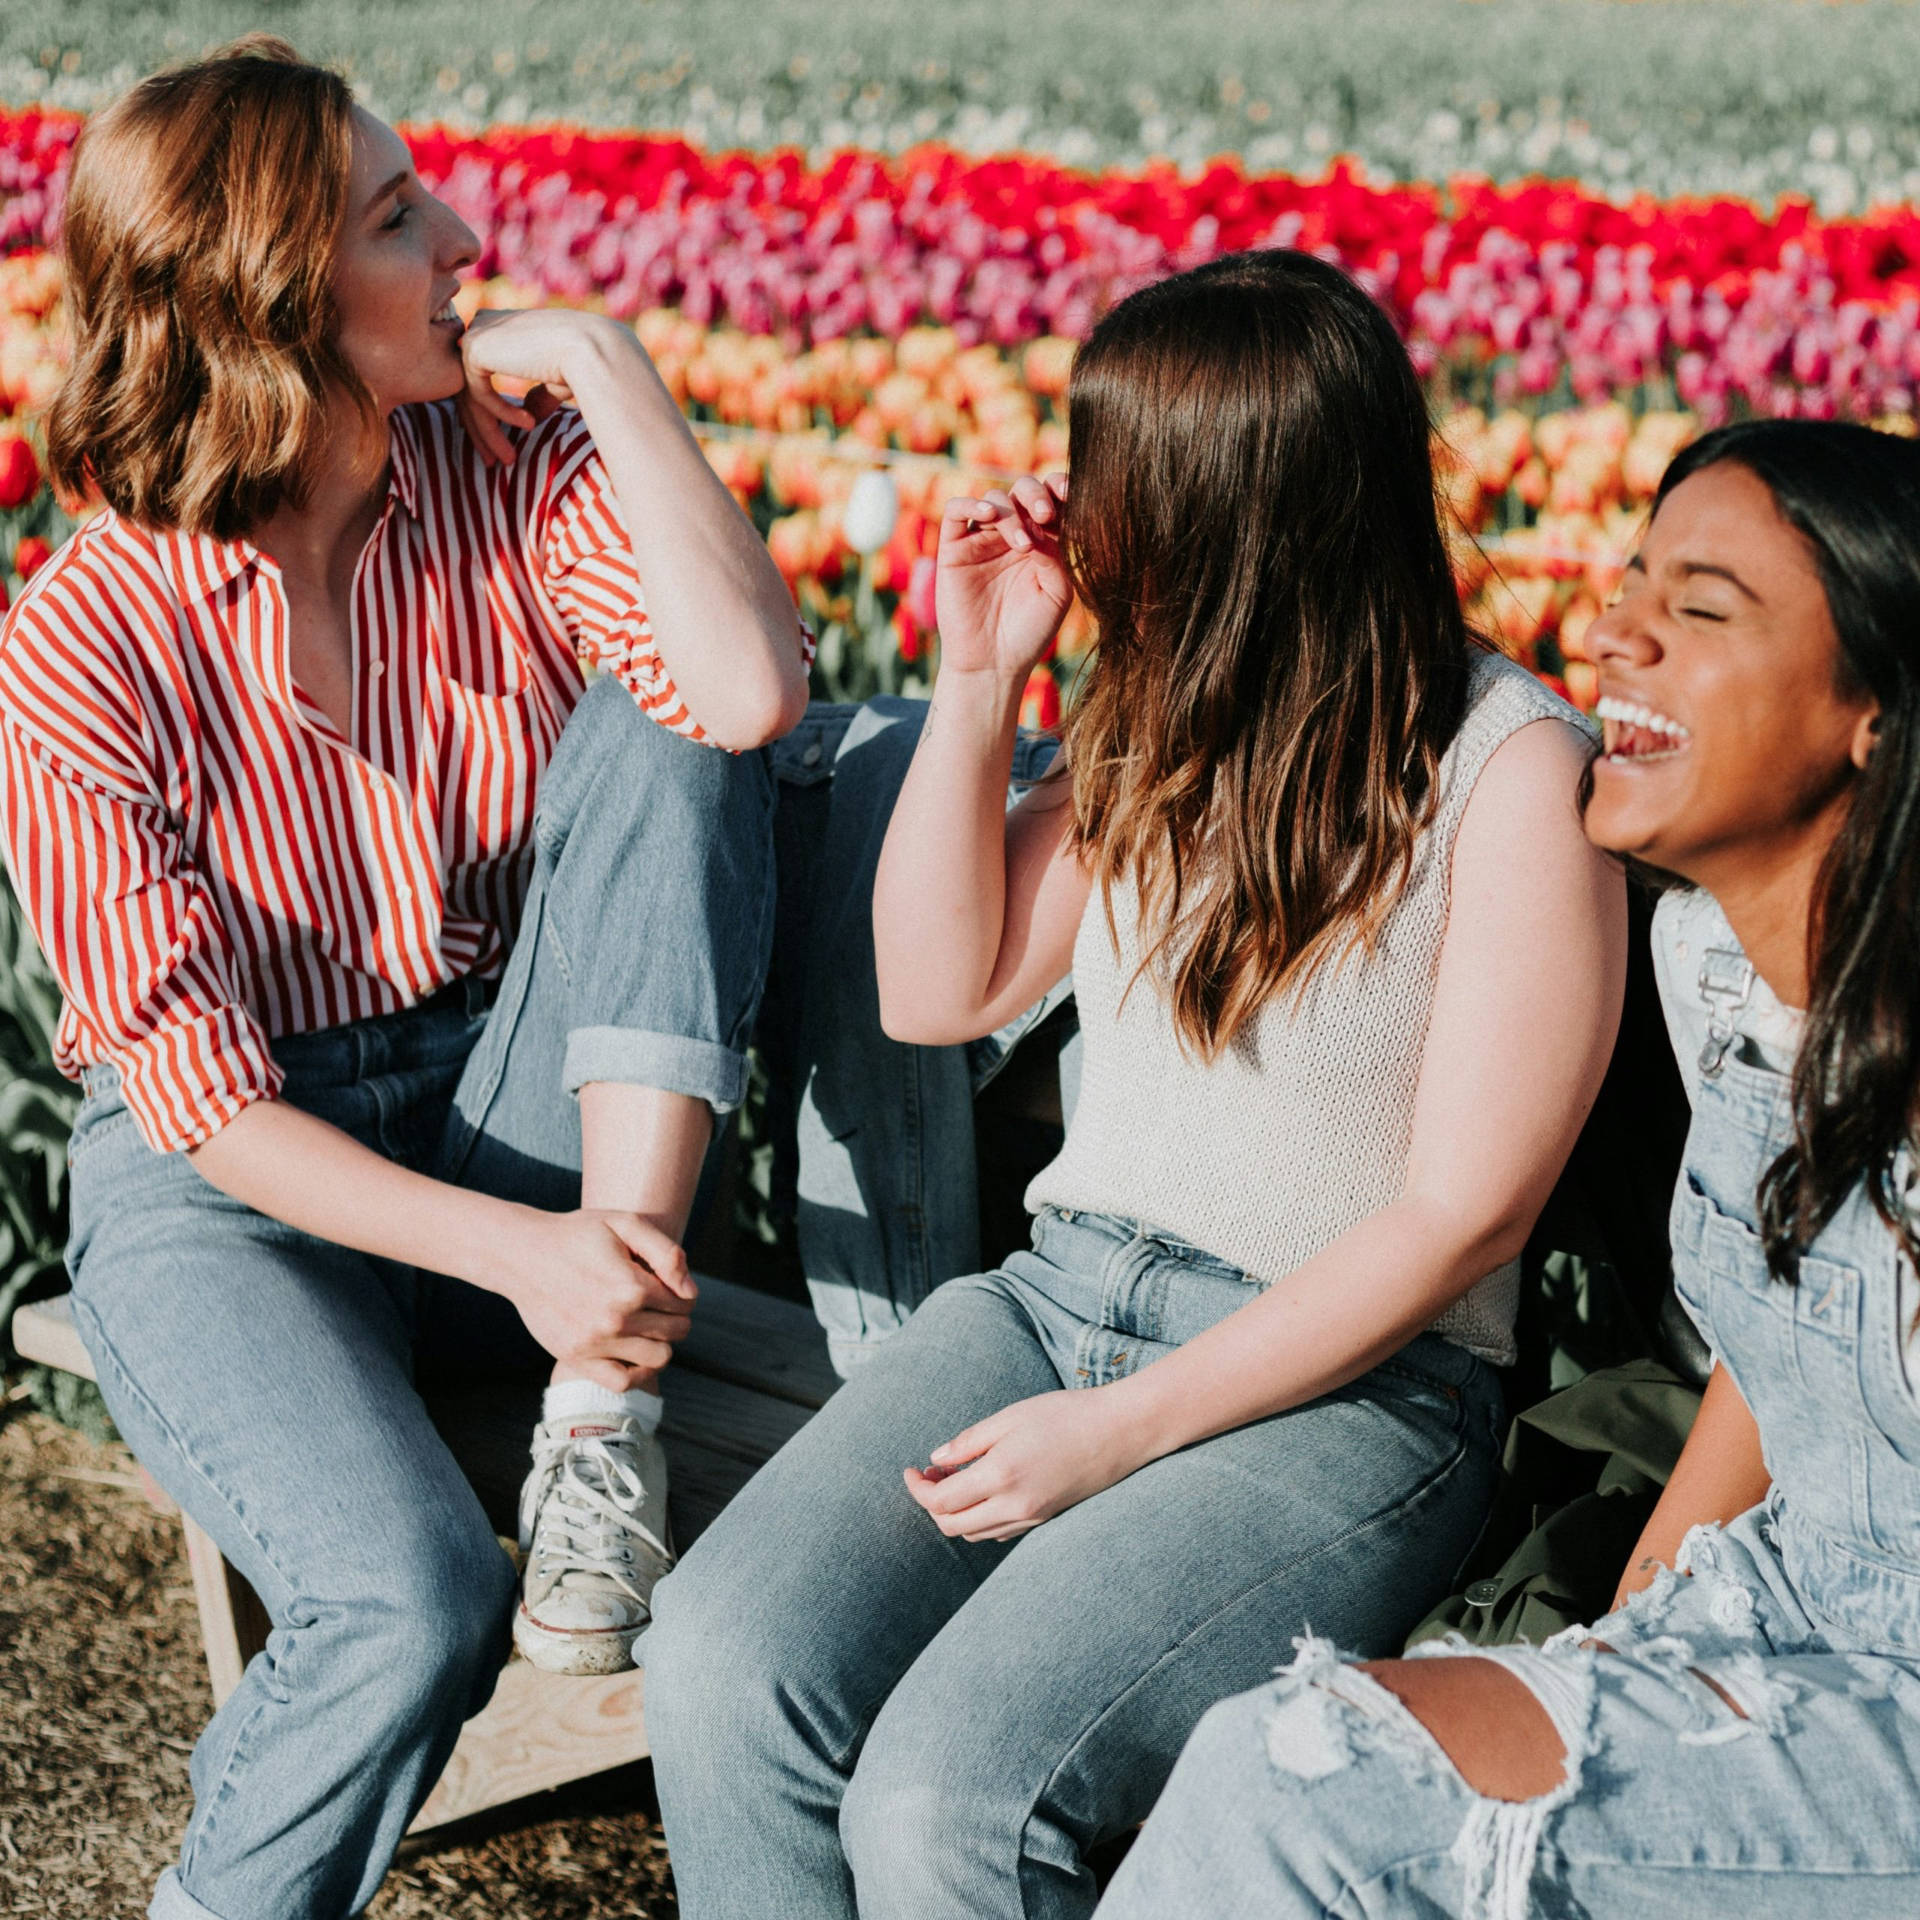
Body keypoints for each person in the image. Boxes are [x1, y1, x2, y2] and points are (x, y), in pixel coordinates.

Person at [640, 249, 1626, 1919]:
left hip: (1350, 1389)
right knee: (723, 1664)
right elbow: (937, 989)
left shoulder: (1512, 766)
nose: (1077, 513)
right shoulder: (1167, 719)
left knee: (952, 1800)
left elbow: (1469, 1214)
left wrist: (1116, 1435)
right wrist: (977, 680)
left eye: (1109, 472)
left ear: (1228, 505)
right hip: (1052, 1307)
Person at [0, 38, 825, 1920]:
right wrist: (526, 1257)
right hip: (237, 1195)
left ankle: (598, 1424)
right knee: (410, 1605)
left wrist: (610, 368)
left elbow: (747, 697)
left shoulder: (508, 475)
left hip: (507, 1105)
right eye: (397, 217)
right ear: (267, 298)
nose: (464, 240)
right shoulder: (81, 644)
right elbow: (203, 1103)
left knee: (671, 722)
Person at [1097, 418, 1920, 1920]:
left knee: (1313, 1791)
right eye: (1631, 584)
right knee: (1287, 1758)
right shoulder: (1711, 970)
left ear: (1877, 706)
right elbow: (1778, 1363)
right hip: (1777, 1607)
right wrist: (1622, 1647)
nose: (1614, 635)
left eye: (1702, 608)